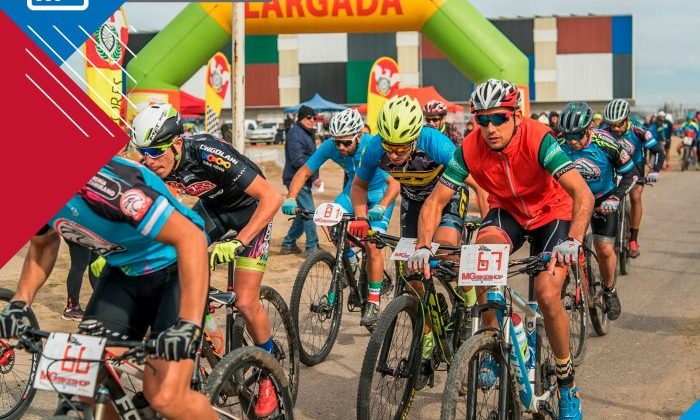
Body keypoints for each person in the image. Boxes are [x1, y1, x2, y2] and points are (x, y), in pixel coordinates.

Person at [409, 79, 593, 419]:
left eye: (498, 118)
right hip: (506, 211)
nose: (490, 128)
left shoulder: (539, 139)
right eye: (482, 120)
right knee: (482, 262)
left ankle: (567, 385)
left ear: (516, 116)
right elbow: (435, 202)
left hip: (551, 213)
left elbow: (582, 193)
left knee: (547, 293)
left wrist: (574, 240)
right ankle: (493, 344)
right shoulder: (469, 148)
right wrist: (422, 246)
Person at [0, 157, 217, 420]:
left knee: (164, 397)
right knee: (78, 383)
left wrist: (189, 325)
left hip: (175, 265)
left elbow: (191, 238)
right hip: (124, 271)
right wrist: (21, 302)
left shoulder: (103, 186)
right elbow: (43, 242)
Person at [130, 104, 283, 417]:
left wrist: (240, 241)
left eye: (156, 152)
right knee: (170, 262)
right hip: (214, 210)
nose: (149, 160)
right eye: (142, 152)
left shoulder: (206, 152)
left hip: (251, 211)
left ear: (175, 143)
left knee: (244, 301)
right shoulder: (152, 166)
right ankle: (207, 328)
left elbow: (272, 197)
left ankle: (270, 371)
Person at [351, 95, 486, 389]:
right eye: (390, 148)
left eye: (402, 148)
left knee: (448, 250)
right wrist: (361, 218)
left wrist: (488, 224)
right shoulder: (376, 146)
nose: (395, 154)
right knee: (412, 276)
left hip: (447, 197)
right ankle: (426, 347)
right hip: (413, 201)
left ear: (415, 136)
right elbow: (359, 185)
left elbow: (476, 184)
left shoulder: (435, 142)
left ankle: (468, 305)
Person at [282, 109, 400, 326]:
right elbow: (304, 172)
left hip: (379, 196)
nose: (340, 148)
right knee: (332, 221)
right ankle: (351, 262)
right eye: (336, 143)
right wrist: (291, 197)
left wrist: (382, 206)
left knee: (373, 245)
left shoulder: (372, 146)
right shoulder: (332, 146)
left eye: (346, 143)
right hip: (353, 191)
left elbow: (394, 183)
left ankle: (373, 302)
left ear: (358, 135)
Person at [558, 101, 640, 321]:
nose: (573, 141)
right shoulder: (559, 145)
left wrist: (615, 197)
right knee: (562, 245)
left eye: (578, 135)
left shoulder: (606, 142)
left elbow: (631, 174)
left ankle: (609, 290)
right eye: (568, 136)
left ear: (589, 130)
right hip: (573, 201)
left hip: (604, 199)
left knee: (603, 248)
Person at [600, 99, 665, 258]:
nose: (614, 128)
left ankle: (633, 240)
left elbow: (658, 151)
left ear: (627, 119)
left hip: (635, 168)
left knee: (635, 196)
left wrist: (655, 170)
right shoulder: (603, 129)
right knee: (608, 198)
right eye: (611, 124)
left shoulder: (639, 130)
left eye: (618, 124)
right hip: (615, 168)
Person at [282, 105, 321, 255]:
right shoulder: (295, 134)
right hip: (295, 179)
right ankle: (312, 248)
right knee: (310, 212)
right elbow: (298, 160)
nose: (312, 120)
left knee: (302, 214)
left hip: (304, 179)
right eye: (309, 118)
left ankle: (288, 243)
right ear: (300, 119)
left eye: (314, 118)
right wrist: (314, 175)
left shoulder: (307, 132)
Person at [61, 239, 93, 320]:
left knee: (95, 260)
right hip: (78, 230)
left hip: (89, 231)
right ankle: (72, 308)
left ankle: (100, 303)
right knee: (80, 263)